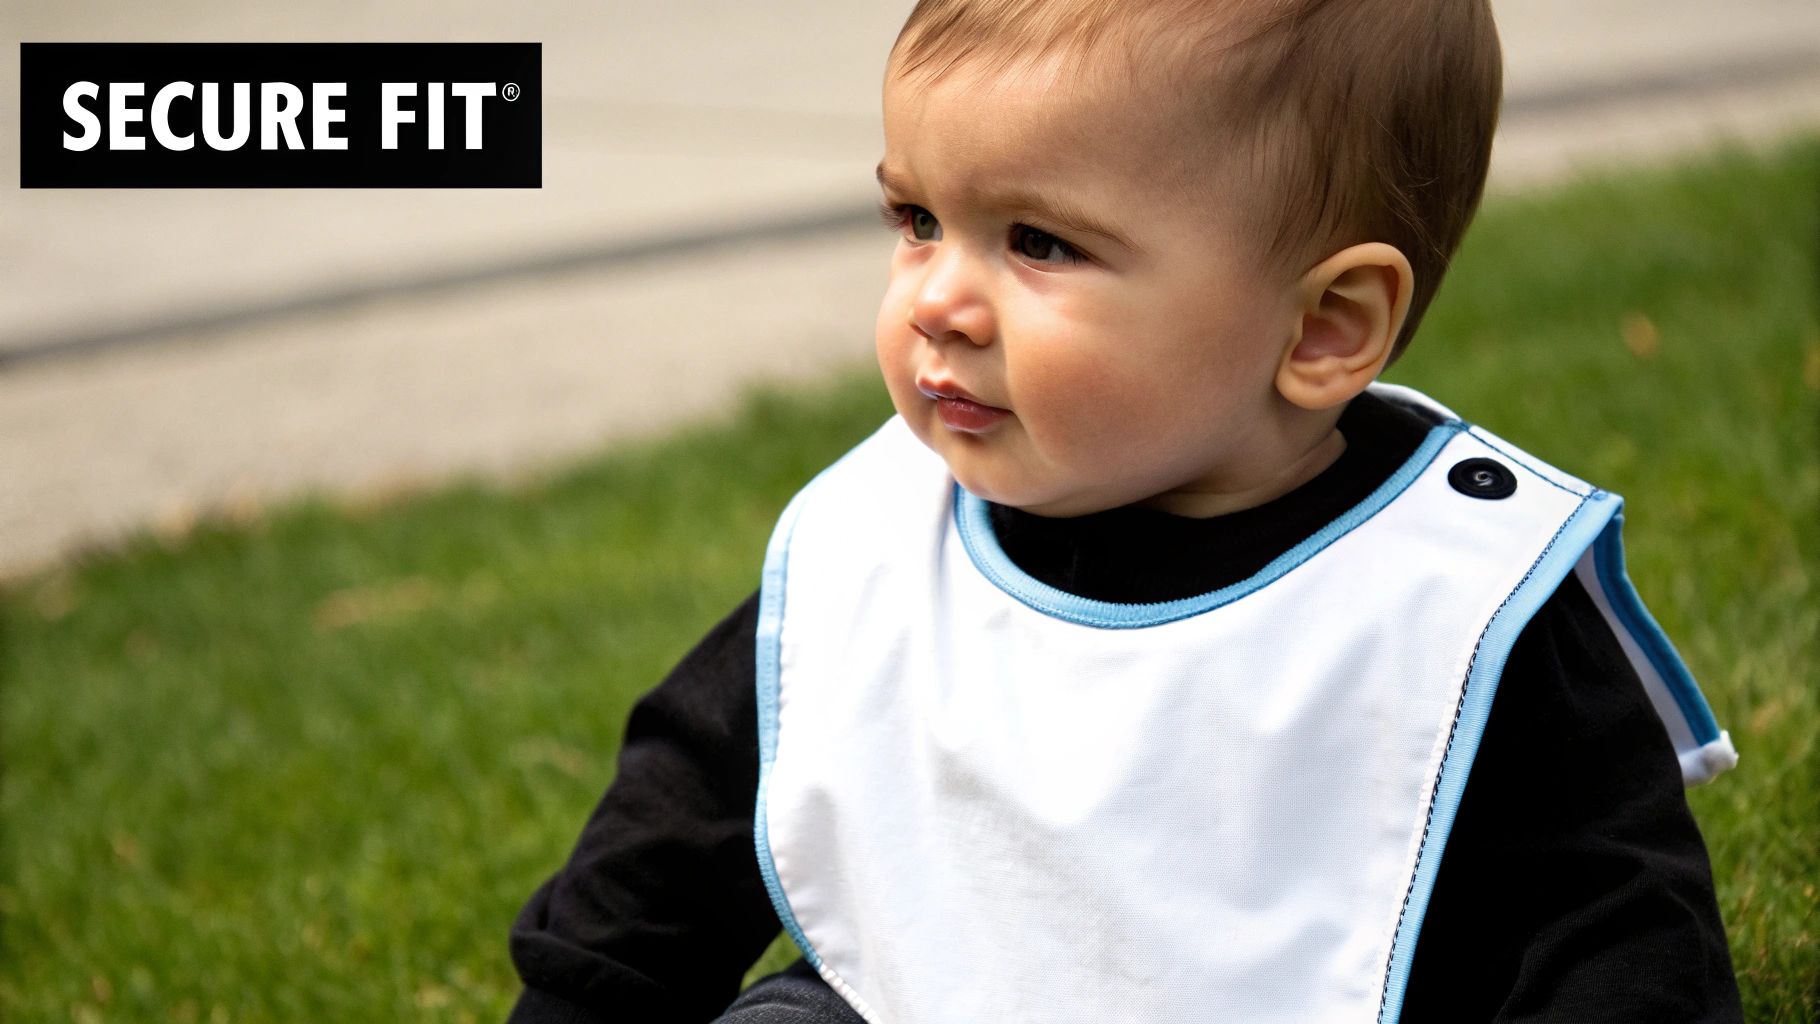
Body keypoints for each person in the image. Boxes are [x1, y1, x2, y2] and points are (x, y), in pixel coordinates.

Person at [506, 1, 1744, 1020]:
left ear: (1321, 327)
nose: (938, 298)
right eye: (916, 220)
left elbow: (1617, 930)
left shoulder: (1443, 601)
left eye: (1036, 242)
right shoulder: (873, 544)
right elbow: (661, 852)